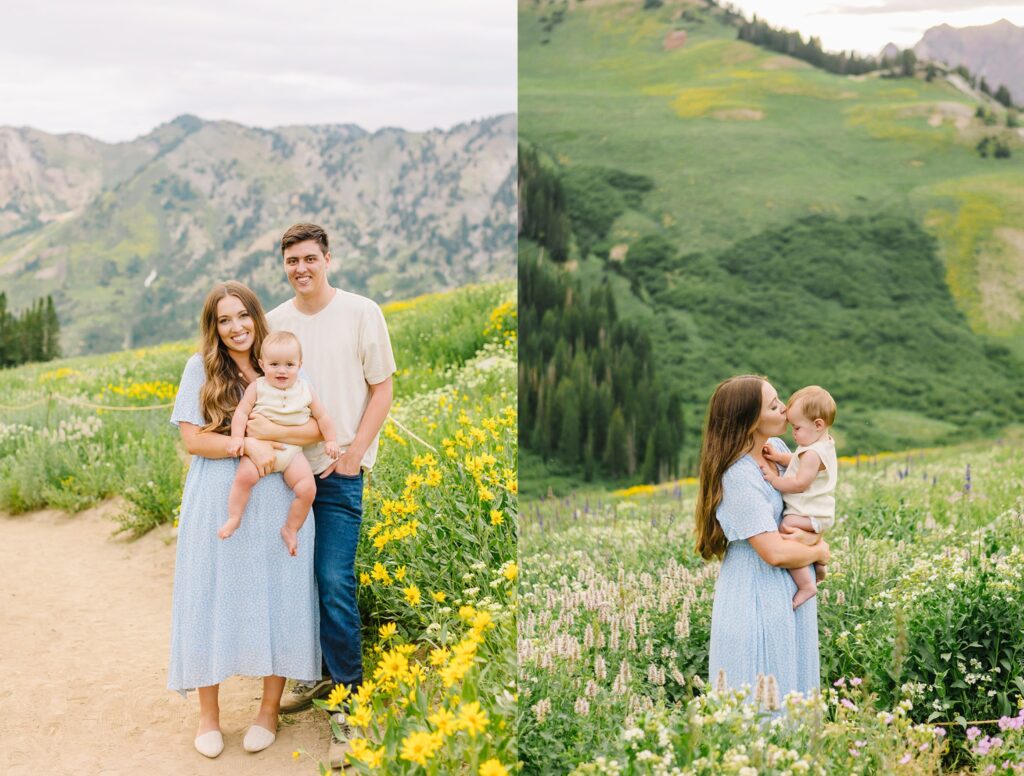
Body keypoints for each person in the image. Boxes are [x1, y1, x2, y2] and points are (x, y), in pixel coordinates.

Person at [245, 223, 395, 768]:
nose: (301, 268)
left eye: (310, 258)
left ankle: (349, 712)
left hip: (340, 473)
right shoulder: (277, 324)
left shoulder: (362, 312)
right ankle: (321, 676)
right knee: (293, 582)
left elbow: (383, 388)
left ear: (328, 258)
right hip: (282, 476)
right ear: (284, 266)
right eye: (292, 260)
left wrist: (356, 449)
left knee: (333, 581)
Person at [168, 281, 321, 758]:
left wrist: (270, 432)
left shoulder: (280, 361)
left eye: (242, 316)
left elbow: (317, 425)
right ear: (213, 327)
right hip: (218, 494)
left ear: (257, 316)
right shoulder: (201, 368)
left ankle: (268, 710)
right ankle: (209, 716)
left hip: (279, 496)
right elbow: (194, 440)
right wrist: (243, 444)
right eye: (224, 319)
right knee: (209, 593)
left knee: (282, 593)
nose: (236, 327)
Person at [695, 375, 830, 700]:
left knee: (793, 691)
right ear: (749, 421)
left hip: (789, 592)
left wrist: (814, 545)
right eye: (773, 406)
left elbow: (804, 507)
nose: (785, 409)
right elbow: (774, 553)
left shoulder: (778, 451)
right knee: (760, 697)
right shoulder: (739, 476)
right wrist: (819, 550)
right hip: (757, 593)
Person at [219, 330, 341, 556]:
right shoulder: (258, 386)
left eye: (289, 364)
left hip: (292, 453)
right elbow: (242, 413)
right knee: (244, 478)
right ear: (262, 364)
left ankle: (291, 528)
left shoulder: (305, 389)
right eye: (274, 364)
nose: (282, 370)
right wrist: (238, 438)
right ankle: (234, 517)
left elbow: (323, 417)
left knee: (307, 489)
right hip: (258, 448)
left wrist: (331, 440)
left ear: (299, 365)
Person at [759, 386, 838, 609]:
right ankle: (819, 562)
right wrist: (778, 457)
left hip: (809, 512)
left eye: (797, 427)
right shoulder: (820, 443)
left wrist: (774, 480)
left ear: (818, 424)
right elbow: (795, 460)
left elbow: (800, 483)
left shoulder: (812, 453)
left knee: (786, 529)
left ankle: (806, 585)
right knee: (800, 536)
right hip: (816, 512)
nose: (793, 433)